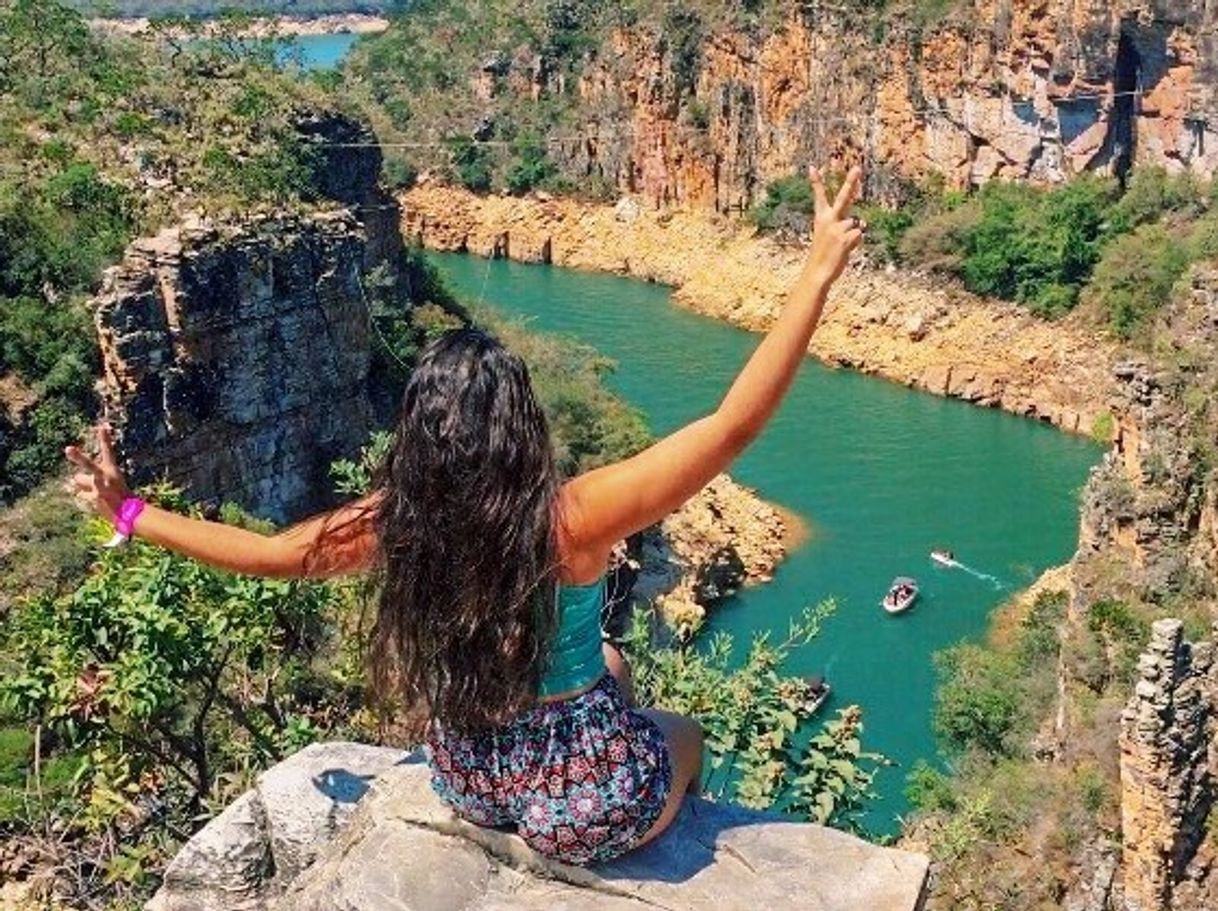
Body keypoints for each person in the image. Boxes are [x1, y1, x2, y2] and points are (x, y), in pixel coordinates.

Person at [65, 166, 867, 865]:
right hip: (584, 809)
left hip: (470, 777)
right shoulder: (571, 518)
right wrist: (817, 276)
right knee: (681, 732)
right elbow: (730, 426)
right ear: (521, 424)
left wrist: (128, 509)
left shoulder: (400, 519)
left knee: (613, 664)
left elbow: (269, 552)